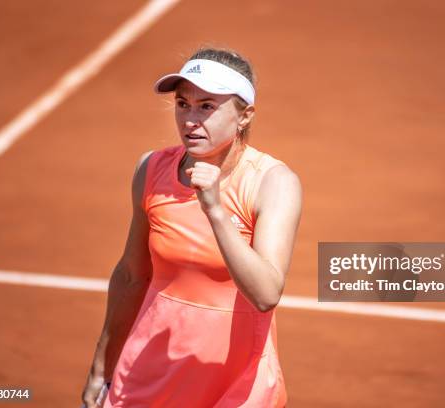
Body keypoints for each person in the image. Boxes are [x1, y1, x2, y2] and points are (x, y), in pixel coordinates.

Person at [80, 47, 302, 407]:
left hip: (236, 386)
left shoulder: (272, 182)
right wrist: (101, 366)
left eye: (207, 107)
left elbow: (266, 293)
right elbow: (132, 276)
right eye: (183, 104)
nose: (190, 120)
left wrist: (214, 208)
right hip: (150, 374)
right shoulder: (151, 169)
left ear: (244, 116)